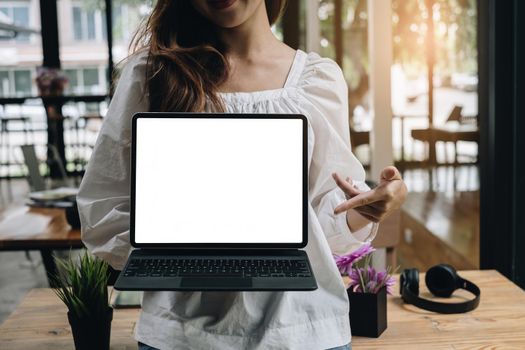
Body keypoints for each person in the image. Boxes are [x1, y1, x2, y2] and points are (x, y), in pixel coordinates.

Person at [77, 0, 407, 349]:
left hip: (304, 332)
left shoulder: (318, 81)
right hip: (182, 335)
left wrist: (367, 209)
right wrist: (169, 249)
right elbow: (101, 208)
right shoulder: (151, 75)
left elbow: (322, 228)